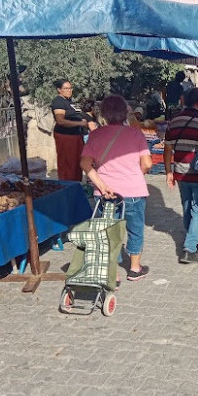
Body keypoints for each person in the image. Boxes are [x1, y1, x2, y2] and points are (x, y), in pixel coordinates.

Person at [81, 95, 153, 281]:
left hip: (105, 193)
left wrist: (102, 185)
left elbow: (85, 164)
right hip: (134, 190)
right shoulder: (136, 134)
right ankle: (135, 268)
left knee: (109, 232)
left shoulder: (95, 135)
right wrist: (134, 175)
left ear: (103, 113)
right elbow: (147, 164)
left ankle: (113, 273)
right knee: (135, 229)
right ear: (125, 113)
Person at [164, 88, 198, 264]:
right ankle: (189, 248)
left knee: (186, 205)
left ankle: (193, 235)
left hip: (180, 172)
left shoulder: (175, 121)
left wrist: (168, 171)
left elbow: (167, 149)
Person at [51, 79, 88, 181]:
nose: (69, 90)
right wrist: (79, 123)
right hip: (66, 136)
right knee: (68, 164)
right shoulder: (58, 101)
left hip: (76, 136)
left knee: (77, 164)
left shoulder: (69, 101)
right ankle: (67, 185)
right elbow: (60, 121)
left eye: (70, 88)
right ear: (59, 90)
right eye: (66, 88)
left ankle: (76, 184)